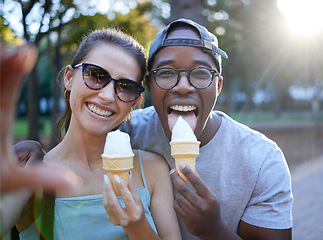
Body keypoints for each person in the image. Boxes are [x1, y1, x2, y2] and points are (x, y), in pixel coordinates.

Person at [119, 18, 293, 240]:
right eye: (166, 73)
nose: (183, 86)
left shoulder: (262, 160)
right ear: (149, 84)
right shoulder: (125, 134)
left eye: (201, 73)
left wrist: (215, 231)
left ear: (218, 85)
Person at [9, 28, 181, 240]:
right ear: (69, 78)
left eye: (126, 86)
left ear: (134, 102)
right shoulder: (29, 174)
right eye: (96, 75)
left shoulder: (153, 170)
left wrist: (138, 228)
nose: (108, 96)